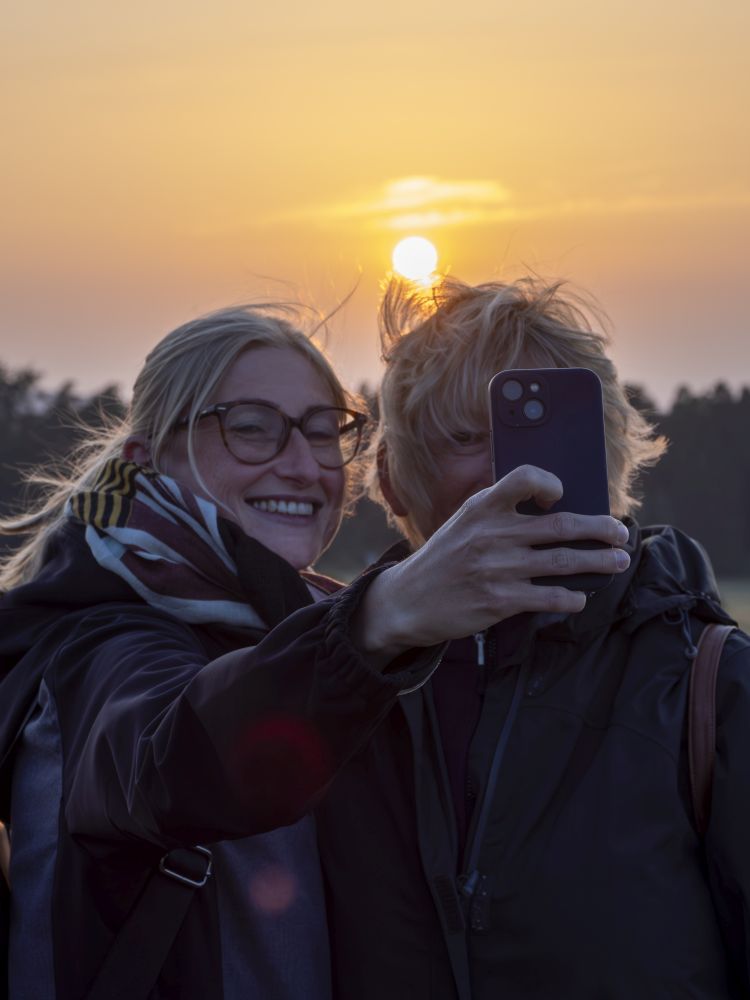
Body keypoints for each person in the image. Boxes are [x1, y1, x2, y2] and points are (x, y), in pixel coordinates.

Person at [0, 297, 629, 1000]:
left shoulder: (315, 627)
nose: (302, 464)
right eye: (250, 429)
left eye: (324, 431)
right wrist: (378, 617)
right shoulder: (100, 640)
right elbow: (168, 760)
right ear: (147, 457)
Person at [315, 276, 750, 999]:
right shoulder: (345, 685)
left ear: (611, 461)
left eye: (552, 431)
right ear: (395, 483)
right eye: (466, 438)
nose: (517, 470)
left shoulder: (709, 686)